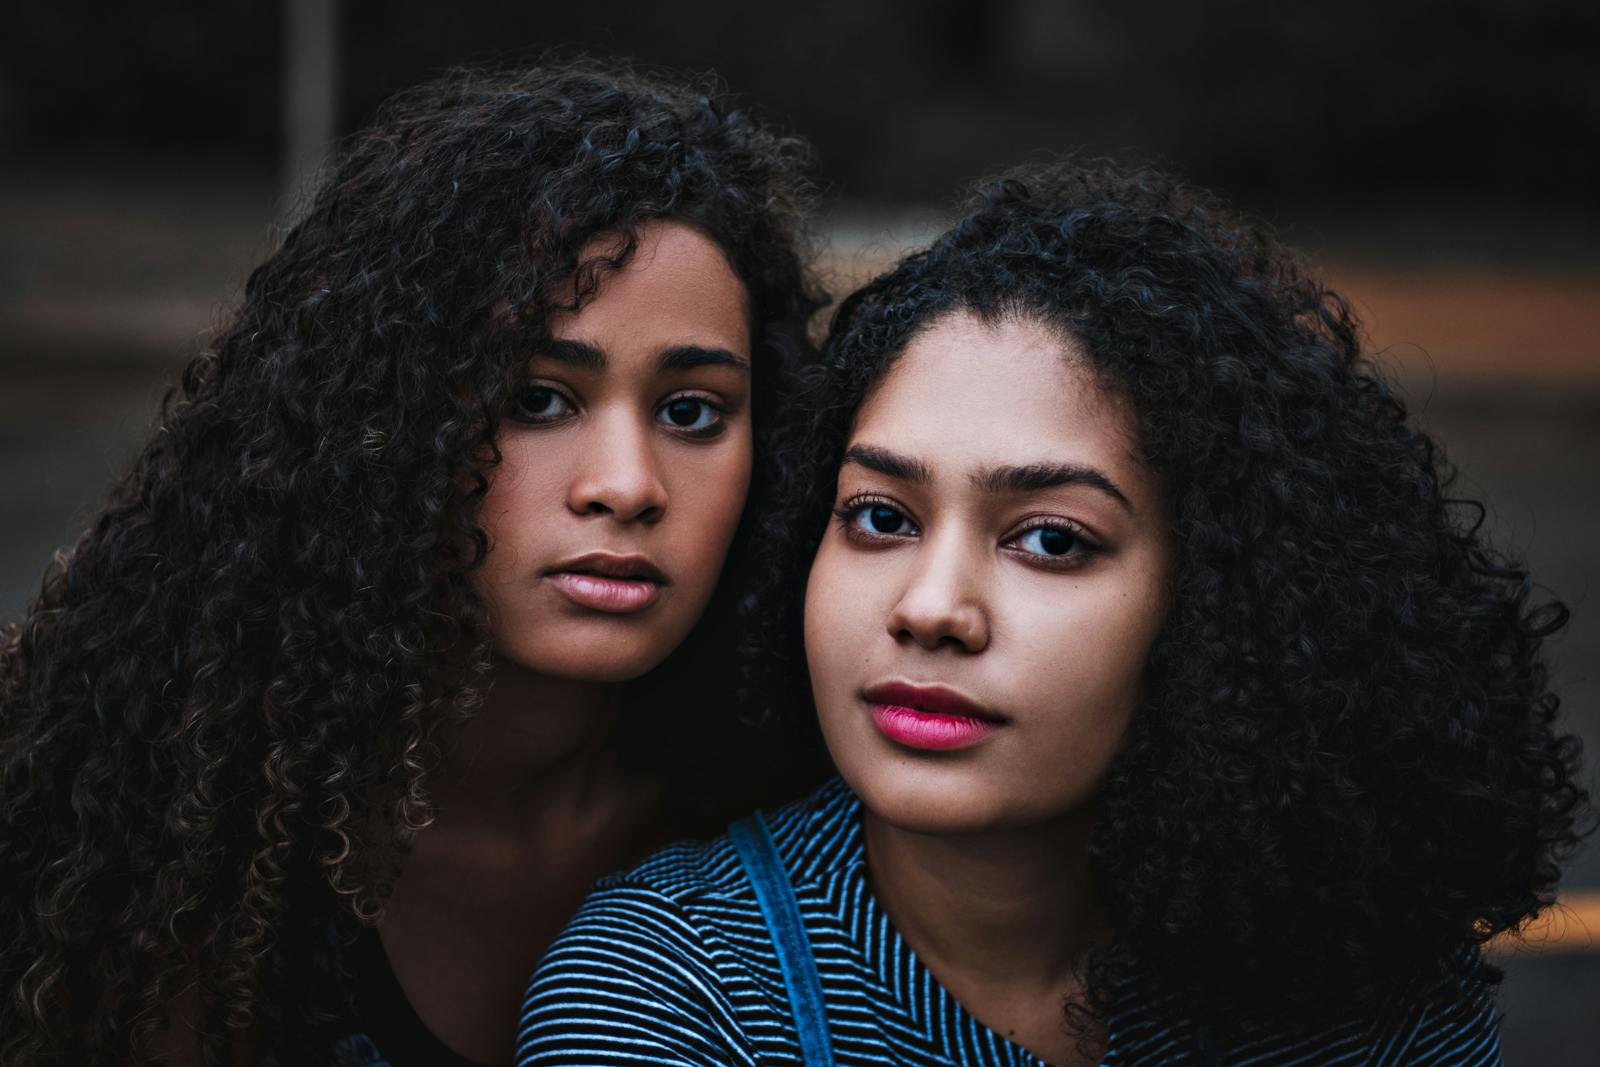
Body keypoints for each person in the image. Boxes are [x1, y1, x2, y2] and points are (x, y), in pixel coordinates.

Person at [516, 161, 1591, 1065]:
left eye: (1050, 538)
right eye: (880, 516)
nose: (931, 609)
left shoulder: (1366, 972)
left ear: (1215, 598)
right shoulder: (667, 992)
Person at [0, 61, 826, 1066]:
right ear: (384, 425)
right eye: (536, 400)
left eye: (691, 411)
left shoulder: (797, 798)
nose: (625, 484)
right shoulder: (176, 816)